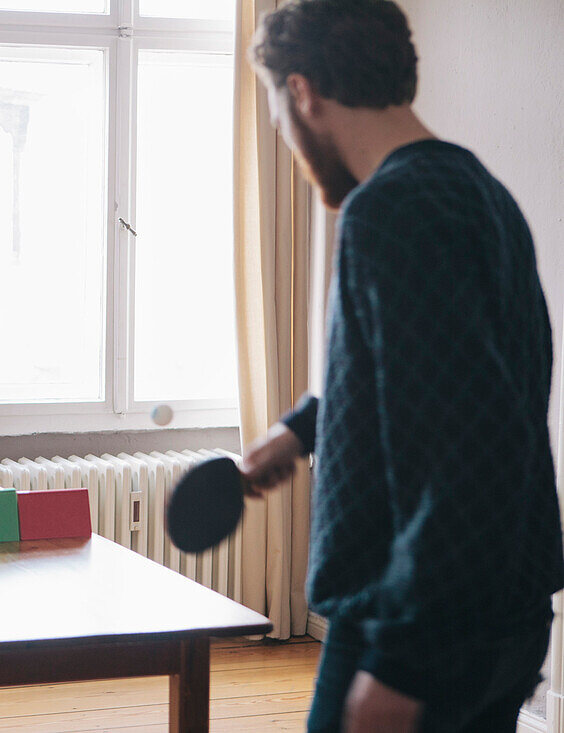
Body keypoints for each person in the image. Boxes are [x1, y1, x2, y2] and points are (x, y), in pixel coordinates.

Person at [240, 1, 564, 731]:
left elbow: (471, 447)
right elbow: (455, 377)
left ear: (303, 93)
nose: (288, 140)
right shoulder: (480, 193)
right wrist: (300, 430)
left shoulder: (388, 210)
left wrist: (402, 666)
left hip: (419, 618)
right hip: (508, 608)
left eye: (278, 117)